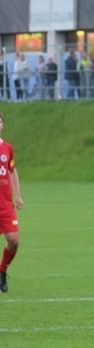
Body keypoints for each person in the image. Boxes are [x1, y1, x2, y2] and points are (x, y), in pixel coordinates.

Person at [0, 112, 23, 292]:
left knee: (14, 239)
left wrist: (18, 195)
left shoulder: (7, 148)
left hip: (5, 203)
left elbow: (12, 171)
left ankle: (2, 271)